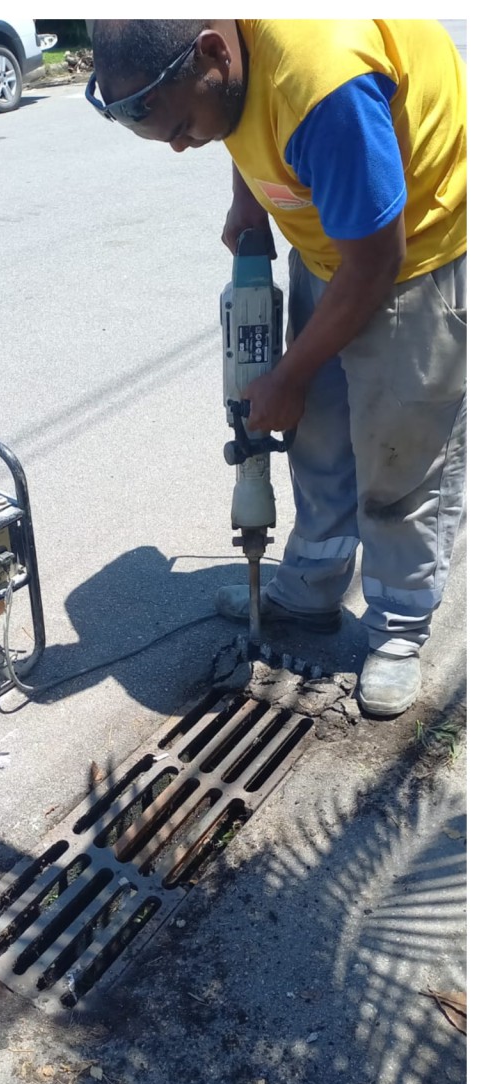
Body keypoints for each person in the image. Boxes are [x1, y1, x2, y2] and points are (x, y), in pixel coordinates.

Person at [86, 21, 466, 717]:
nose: (180, 146)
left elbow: (377, 259)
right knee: (318, 440)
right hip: (332, 241)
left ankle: (397, 628)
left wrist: (289, 375)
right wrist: (247, 198)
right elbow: (243, 111)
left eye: (182, 128)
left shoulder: (326, 83)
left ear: (211, 51)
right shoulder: (233, 59)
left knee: (400, 461)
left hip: (413, 255)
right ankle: (310, 591)